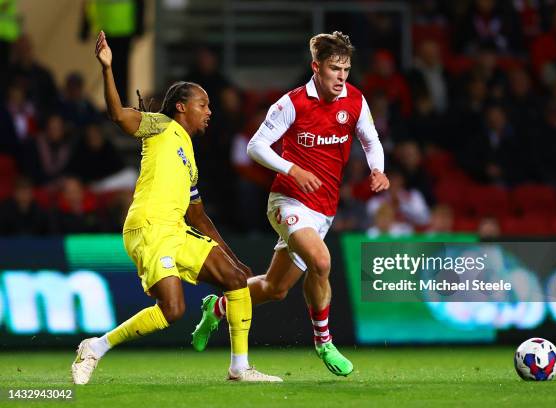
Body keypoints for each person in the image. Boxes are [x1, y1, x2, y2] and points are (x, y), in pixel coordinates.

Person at [71, 31, 282, 385]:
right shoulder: (160, 125)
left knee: (234, 279)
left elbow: (197, 215)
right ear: (182, 106)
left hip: (175, 229)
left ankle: (240, 368)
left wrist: (231, 257)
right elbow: (119, 116)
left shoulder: (190, 161)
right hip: (149, 227)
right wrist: (107, 68)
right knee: (172, 310)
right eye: (203, 104)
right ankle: (96, 346)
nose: (209, 111)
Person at [192, 31, 390, 377]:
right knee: (322, 261)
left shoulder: (355, 100)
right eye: (334, 68)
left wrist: (378, 170)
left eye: (346, 69)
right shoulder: (292, 103)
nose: (341, 76)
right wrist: (293, 169)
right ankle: (324, 341)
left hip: (324, 209)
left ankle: (218, 308)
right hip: (288, 200)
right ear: (317, 67)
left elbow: (371, 140)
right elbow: (256, 146)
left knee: (275, 288)